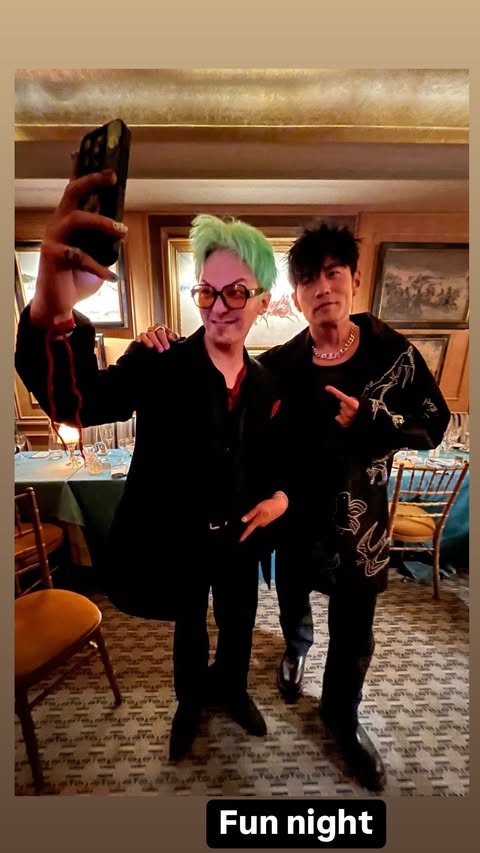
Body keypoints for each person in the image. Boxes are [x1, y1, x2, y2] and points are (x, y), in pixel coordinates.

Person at [137, 222, 451, 790]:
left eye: (334, 273)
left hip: (361, 524)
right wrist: (165, 345)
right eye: (308, 278)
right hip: (293, 519)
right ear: (296, 294)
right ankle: (295, 652)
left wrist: (372, 419)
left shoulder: (392, 352)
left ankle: (342, 717)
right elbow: (242, 421)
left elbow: (435, 422)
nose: (323, 287)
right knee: (292, 602)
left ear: (355, 280)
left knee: (354, 630)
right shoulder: (281, 364)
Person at [14, 169, 290, 763]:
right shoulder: (158, 360)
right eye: (207, 292)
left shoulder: (269, 382)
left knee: (239, 619)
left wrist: (281, 497)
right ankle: (190, 703)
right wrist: (52, 311)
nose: (219, 307)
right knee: (189, 624)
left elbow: (279, 457)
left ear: (263, 300)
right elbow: (77, 404)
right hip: (179, 535)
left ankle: (232, 690)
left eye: (236, 292)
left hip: (243, 536)